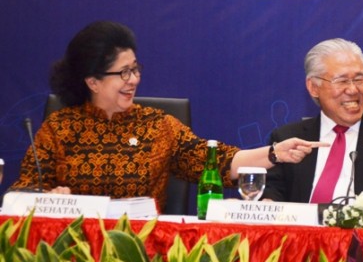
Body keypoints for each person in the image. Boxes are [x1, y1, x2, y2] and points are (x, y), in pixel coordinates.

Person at [9, 21, 322, 212]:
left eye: (135, 69)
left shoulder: (157, 126)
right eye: (123, 72)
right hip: (70, 253)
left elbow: (215, 160)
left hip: (140, 257)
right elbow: (21, 194)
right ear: (92, 81)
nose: (133, 80)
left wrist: (275, 153)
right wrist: (52, 197)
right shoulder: (59, 129)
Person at [262, 38, 363, 203]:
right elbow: (272, 191)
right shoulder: (286, 138)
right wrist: (267, 202)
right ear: (313, 88)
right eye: (342, 81)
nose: (353, 90)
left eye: (359, 79)